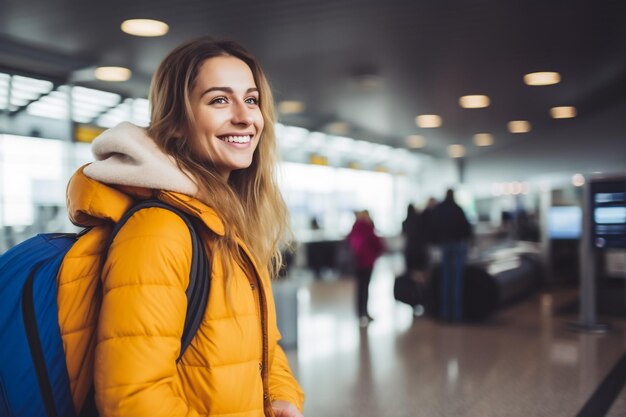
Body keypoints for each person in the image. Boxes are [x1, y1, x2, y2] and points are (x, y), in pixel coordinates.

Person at [58, 37, 304, 417]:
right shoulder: (159, 230)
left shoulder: (224, 224)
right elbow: (133, 400)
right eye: (219, 100)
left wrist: (281, 394)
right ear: (175, 124)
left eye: (251, 99)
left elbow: (262, 342)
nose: (245, 117)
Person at [432, 189, 472, 322]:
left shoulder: (439, 210)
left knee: (445, 279)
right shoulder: (458, 209)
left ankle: (444, 313)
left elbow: (434, 227)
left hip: (444, 246)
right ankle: (456, 314)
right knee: (456, 280)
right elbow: (467, 229)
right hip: (458, 245)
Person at [347, 210, 385, 326]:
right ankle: (365, 312)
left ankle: (360, 313)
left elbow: (349, 242)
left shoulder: (354, 228)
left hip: (357, 262)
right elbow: (378, 244)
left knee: (360, 288)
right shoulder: (368, 228)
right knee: (365, 288)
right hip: (367, 262)